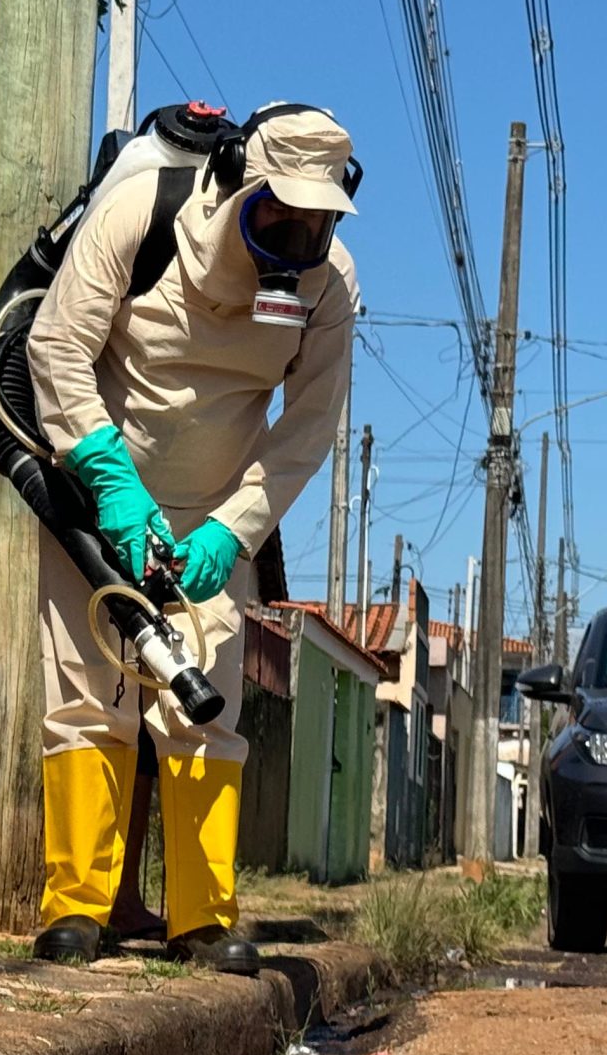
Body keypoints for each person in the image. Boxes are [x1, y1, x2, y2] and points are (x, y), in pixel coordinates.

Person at [24, 106, 360, 972]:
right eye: (281, 212)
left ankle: (202, 918)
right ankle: (76, 910)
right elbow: (57, 347)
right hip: (98, 497)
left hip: (214, 513)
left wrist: (233, 528)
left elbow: (309, 426)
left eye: (318, 219)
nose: (298, 233)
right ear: (238, 179)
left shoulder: (330, 287)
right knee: (89, 694)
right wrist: (109, 484)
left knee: (203, 709)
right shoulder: (141, 210)